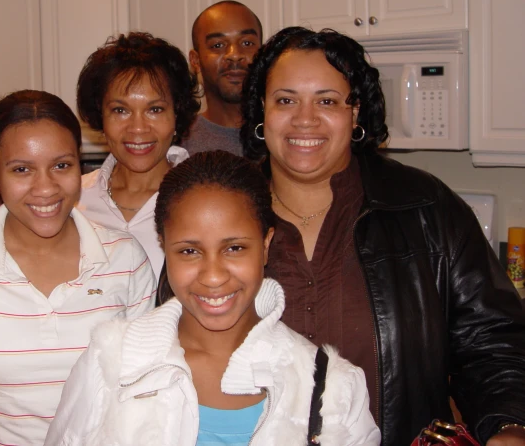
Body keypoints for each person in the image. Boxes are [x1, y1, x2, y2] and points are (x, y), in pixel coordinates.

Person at [239, 26, 525, 446]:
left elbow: (492, 342)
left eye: (327, 100)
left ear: (355, 114)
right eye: (285, 100)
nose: (305, 118)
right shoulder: (224, 211)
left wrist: (508, 427)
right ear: (261, 111)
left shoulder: (425, 208)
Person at [45, 151, 380, 446]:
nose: (213, 275)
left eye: (234, 248)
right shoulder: (111, 362)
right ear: (164, 247)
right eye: (189, 251)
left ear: (265, 246)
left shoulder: (333, 388)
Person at [0, 90, 156, 446]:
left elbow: (142, 397)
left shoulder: (125, 259)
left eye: (61, 165)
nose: (46, 188)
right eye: (22, 169)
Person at [77, 31, 200, 278]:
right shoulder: (73, 199)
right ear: (100, 117)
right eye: (120, 110)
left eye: (154, 109)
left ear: (177, 114)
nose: (138, 128)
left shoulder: (204, 198)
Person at [181, 0, 262, 156]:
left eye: (247, 42)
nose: (234, 55)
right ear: (195, 61)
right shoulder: (177, 144)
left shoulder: (286, 136)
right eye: (218, 45)